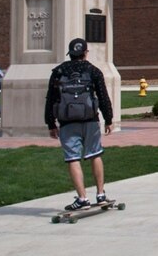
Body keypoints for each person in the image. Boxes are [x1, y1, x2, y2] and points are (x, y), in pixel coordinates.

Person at [44, 38, 114, 210]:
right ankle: (100, 194)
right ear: (85, 52)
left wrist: (50, 123)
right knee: (95, 154)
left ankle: (82, 198)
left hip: (67, 122)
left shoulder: (59, 71)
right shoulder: (93, 71)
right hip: (90, 120)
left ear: (70, 53)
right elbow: (103, 97)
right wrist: (109, 119)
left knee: (73, 158)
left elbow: (51, 98)